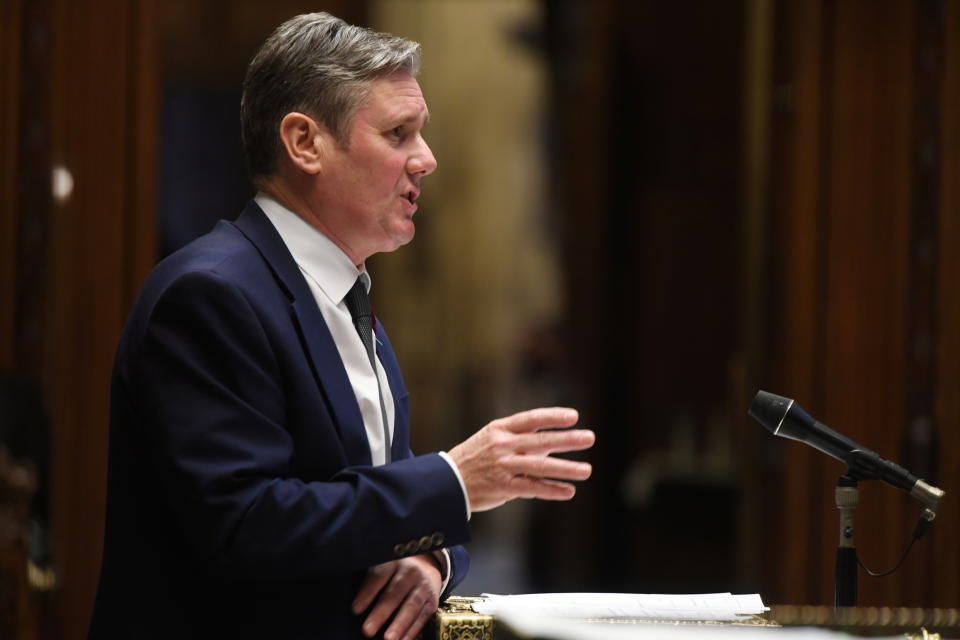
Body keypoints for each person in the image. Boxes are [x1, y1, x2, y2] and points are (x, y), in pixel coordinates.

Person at [89, 12, 595, 640]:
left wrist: (431, 557)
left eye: (422, 133)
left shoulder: (341, 290)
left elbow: (379, 494)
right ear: (305, 143)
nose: (427, 160)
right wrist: (455, 481)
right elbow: (245, 523)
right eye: (398, 133)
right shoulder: (210, 295)